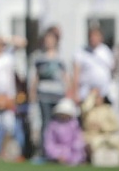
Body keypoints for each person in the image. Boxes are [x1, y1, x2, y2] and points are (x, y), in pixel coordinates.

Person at [29, 27, 69, 158]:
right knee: (45, 123)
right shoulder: (39, 57)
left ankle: (60, 152)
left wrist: (69, 93)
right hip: (44, 94)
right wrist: (33, 92)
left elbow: (66, 76)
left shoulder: (61, 57)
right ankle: (45, 151)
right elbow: (36, 77)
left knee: (59, 124)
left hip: (58, 94)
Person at [82, 89, 119, 166]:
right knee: (94, 144)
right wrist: (92, 95)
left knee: (118, 141)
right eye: (96, 98)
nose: (98, 100)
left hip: (108, 135)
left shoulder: (107, 109)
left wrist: (103, 127)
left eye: (99, 98)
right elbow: (85, 107)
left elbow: (116, 125)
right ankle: (90, 160)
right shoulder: (89, 111)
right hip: (93, 136)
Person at [72, 27, 114, 104]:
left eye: (96, 36)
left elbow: (111, 70)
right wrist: (75, 92)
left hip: (104, 93)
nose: (93, 38)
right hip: (86, 92)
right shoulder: (81, 52)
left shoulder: (106, 51)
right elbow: (76, 74)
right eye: (91, 36)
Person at [43, 97, 85, 165]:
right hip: (57, 154)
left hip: (71, 155)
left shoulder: (74, 125)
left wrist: (71, 158)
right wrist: (56, 155)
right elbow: (49, 142)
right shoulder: (53, 125)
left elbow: (78, 143)